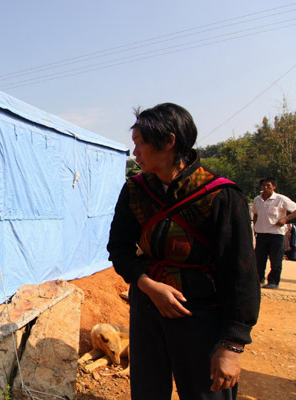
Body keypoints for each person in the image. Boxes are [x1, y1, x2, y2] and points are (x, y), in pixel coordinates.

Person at [107, 103, 260, 399]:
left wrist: (232, 345)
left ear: (168, 142)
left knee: (205, 394)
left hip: (201, 316)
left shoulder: (221, 195)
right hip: (147, 310)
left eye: (139, 143)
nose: (134, 152)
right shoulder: (135, 191)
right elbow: (118, 248)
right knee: (148, 392)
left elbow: (240, 273)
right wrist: (148, 286)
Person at [252, 177, 296, 289]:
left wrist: (286, 219)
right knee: (259, 259)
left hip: (276, 234)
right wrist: (255, 227)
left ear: (274, 187)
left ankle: (273, 281)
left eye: (268, 185)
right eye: (263, 185)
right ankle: (259, 279)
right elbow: (255, 214)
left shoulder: (280, 199)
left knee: (276, 260)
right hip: (261, 233)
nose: (265, 188)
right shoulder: (257, 199)